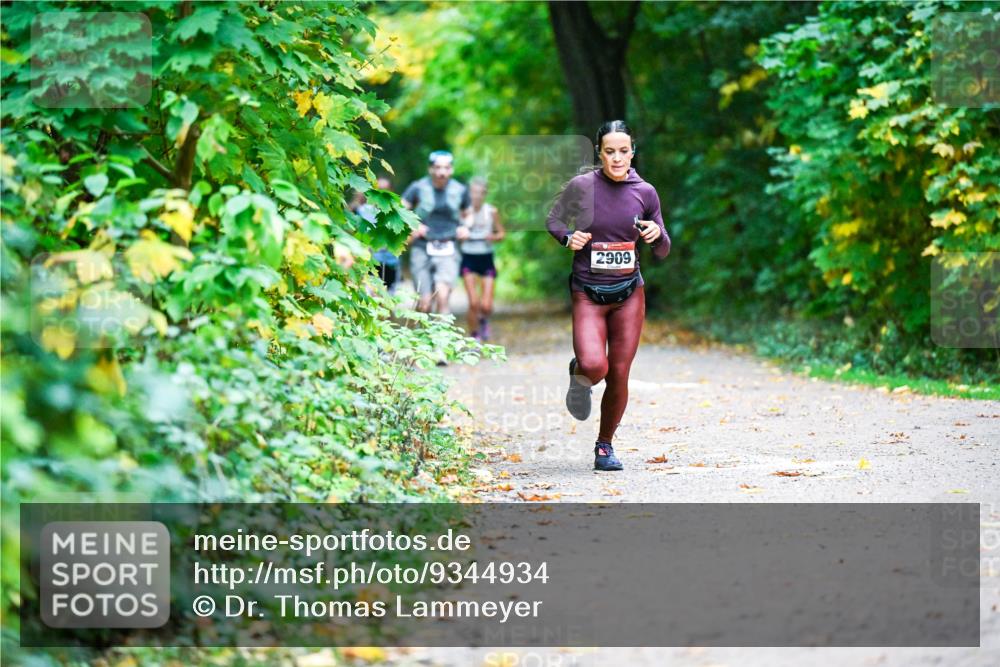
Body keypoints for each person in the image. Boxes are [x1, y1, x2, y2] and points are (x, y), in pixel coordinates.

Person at [545, 120, 671, 471]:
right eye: (610, 151)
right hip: (587, 292)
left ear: (633, 152)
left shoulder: (645, 192)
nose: (617, 158)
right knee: (595, 367)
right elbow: (554, 221)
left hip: (629, 293)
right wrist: (568, 238)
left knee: (618, 372)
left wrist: (656, 234)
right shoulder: (582, 186)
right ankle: (579, 373)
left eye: (624, 151)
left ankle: (604, 446)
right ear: (599, 153)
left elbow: (663, 249)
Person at [401, 150, 472, 315]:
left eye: (446, 168)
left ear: (451, 170)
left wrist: (465, 227)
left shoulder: (460, 190)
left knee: (442, 295)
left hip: (448, 245)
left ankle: (443, 337)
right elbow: (399, 210)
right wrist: (412, 226)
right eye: (438, 168)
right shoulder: (417, 187)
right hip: (422, 245)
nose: (442, 172)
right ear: (430, 169)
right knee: (424, 302)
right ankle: (422, 338)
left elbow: (469, 214)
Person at [459, 177, 505, 340]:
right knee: (473, 303)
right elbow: (454, 233)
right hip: (468, 257)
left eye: (479, 193)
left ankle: (483, 320)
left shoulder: (491, 211)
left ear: (484, 194)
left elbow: (501, 234)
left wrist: (493, 237)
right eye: (473, 193)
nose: (476, 196)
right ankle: (474, 334)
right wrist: (460, 236)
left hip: (486, 257)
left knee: (486, 305)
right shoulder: (463, 212)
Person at [354, 176, 400, 292]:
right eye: (378, 190)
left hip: (390, 264)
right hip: (369, 263)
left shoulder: (398, 214)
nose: (381, 194)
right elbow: (354, 234)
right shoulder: (362, 211)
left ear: (391, 192)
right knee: (372, 296)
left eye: (385, 191)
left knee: (387, 301)